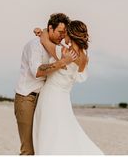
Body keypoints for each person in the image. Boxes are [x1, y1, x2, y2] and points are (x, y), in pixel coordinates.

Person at [32, 20, 104, 155]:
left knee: (48, 133)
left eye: (65, 32)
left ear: (70, 35)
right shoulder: (84, 57)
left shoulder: (63, 51)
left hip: (51, 96)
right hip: (64, 98)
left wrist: (42, 30)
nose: (63, 34)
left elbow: (44, 40)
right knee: (63, 130)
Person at [14, 13, 78, 155]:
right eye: (60, 32)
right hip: (27, 98)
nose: (62, 36)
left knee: (41, 145)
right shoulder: (34, 45)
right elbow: (37, 71)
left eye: (64, 33)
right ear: (50, 28)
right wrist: (61, 63)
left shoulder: (54, 45)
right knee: (28, 149)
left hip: (44, 101)